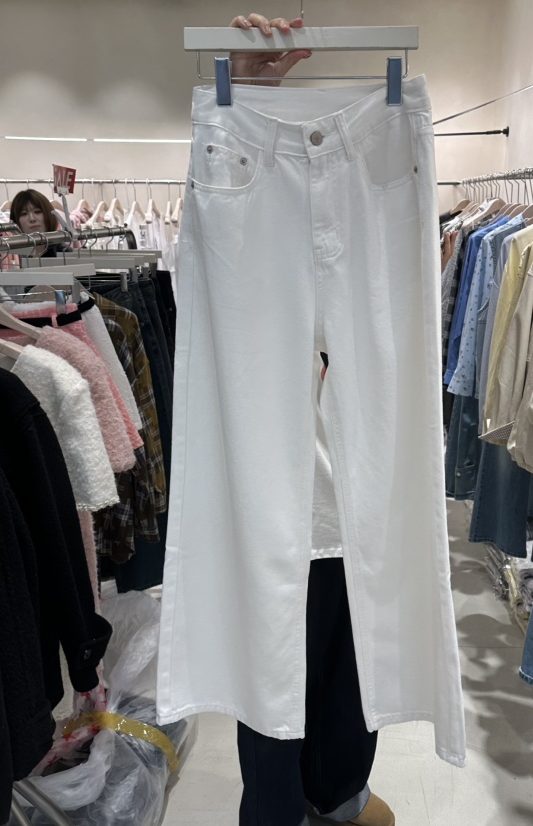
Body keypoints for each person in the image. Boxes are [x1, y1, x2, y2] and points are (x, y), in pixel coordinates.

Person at [225, 14, 394, 826]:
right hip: (278, 516)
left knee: (348, 699)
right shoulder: (243, 234)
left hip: (355, 511)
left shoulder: (373, 218)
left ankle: (340, 802)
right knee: (272, 715)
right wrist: (241, 101)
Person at [10, 189, 59, 257]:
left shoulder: (64, 253)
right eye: (24, 214)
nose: (32, 219)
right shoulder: (12, 254)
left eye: (37, 211)